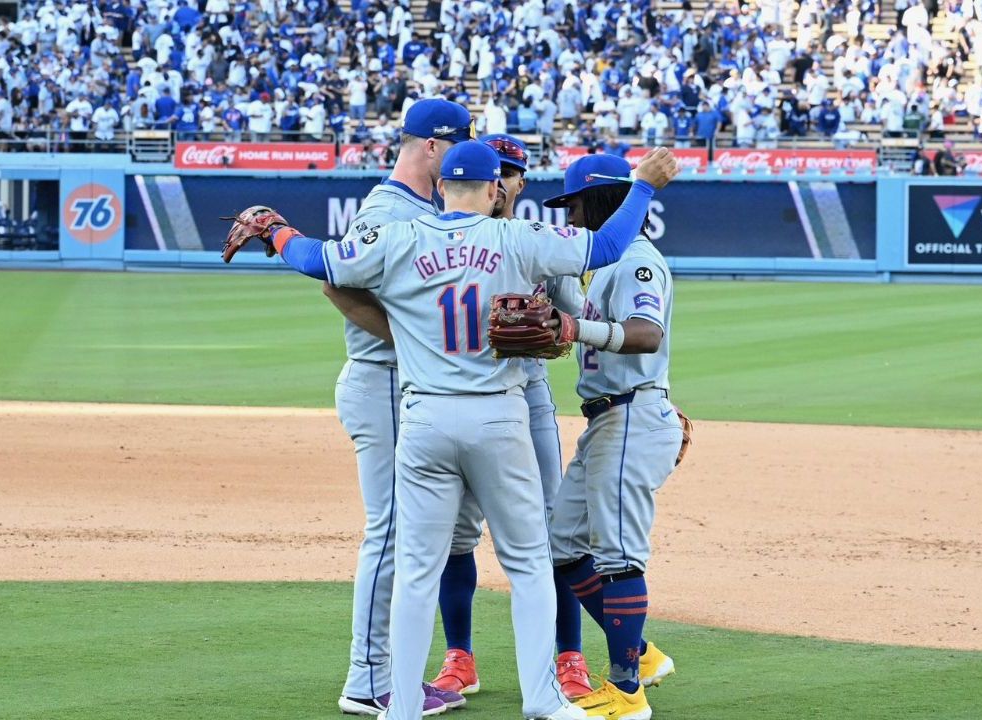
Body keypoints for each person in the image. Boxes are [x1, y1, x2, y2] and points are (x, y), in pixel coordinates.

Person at [222, 141, 679, 720]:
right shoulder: (518, 236)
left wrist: (278, 231)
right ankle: (543, 699)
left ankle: (403, 706)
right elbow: (611, 244)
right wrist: (643, 186)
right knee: (530, 562)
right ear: (495, 191)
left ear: (441, 188)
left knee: (416, 569)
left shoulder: (400, 238)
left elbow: (320, 262)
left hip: (424, 419)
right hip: (497, 416)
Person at [317, 99, 475, 717]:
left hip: (399, 383)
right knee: (390, 530)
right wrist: (414, 337)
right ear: (430, 147)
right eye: (456, 149)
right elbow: (336, 283)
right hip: (382, 380)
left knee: (409, 531)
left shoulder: (418, 208)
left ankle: (389, 671)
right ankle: (369, 679)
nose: (461, 162)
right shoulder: (388, 209)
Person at [428, 134, 593, 701]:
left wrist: (554, 322)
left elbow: (578, 316)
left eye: (510, 171)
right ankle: (459, 658)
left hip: (528, 394)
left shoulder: (538, 243)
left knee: (553, 530)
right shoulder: (441, 235)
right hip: (456, 398)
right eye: (493, 169)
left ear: (518, 183)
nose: (500, 180)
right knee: (454, 533)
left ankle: (569, 657)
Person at [543, 154, 683, 720]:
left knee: (618, 557)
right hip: (607, 419)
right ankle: (642, 655)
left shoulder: (639, 262)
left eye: (574, 203)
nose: (570, 216)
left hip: (631, 415)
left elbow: (647, 335)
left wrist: (578, 326)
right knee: (561, 544)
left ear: (601, 199)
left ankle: (628, 695)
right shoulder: (603, 265)